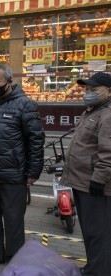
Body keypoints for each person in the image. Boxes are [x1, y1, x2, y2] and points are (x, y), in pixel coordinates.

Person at [0, 64, 45, 265]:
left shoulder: (25, 105)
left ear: (9, 82)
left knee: (13, 219)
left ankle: (15, 257)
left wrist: (33, 171)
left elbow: (36, 140)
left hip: (13, 174)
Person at [60, 72, 111, 275]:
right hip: (84, 182)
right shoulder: (93, 111)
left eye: (94, 90)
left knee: (98, 233)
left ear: (109, 91)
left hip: (96, 185)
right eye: (87, 90)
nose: (88, 94)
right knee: (91, 231)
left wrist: (99, 179)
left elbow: (108, 152)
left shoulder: (108, 115)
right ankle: (94, 267)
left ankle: (98, 271)